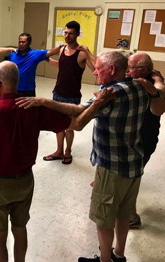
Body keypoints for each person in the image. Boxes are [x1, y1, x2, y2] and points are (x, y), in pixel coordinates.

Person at [17, 51, 149, 262]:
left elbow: (78, 113)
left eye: (98, 68)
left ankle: (104, 259)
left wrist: (44, 101)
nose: (94, 71)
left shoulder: (110, 94)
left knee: (104, 218)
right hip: (134, 163)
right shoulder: (140, 88)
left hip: (111, 166)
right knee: (123, 214)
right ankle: (119, 255)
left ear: (112, 70)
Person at [0, 61, 71, 262]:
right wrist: (47, 102)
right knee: (20, 228)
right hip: (25, 180)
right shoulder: (33, 107)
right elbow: (75, 119)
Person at [43, 20, 95, 165]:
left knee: (69, 125)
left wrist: (88, 52)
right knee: (58, 125)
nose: (67, 36)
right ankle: (59, 151)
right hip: (58, 92)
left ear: (78, 34)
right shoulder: (62, 49)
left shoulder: (81, 53)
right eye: (66, 32)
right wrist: (46, 59)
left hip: (72, 95)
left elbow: (97, 69)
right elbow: (60, 66)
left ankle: (68, 151)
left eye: (71, 33)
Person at [125, 53, 165, 228]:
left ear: (144, 70)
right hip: (130, 137)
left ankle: (132, 216)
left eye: (131, 67)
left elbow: (160, 89)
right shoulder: (134, 78)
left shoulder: (153, 83)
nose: (128, 70)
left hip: (144, 139)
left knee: (131, 177)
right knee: (128, 175)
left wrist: (155, 90)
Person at [8, 32, 62, 97]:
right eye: (19, 42)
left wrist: (61, 47)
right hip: (14, 88)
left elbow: (51, 52)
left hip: (28, 90)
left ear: (29, 43)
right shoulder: (12, 55)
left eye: (23, 42)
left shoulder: (35, 54)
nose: (21, 44)